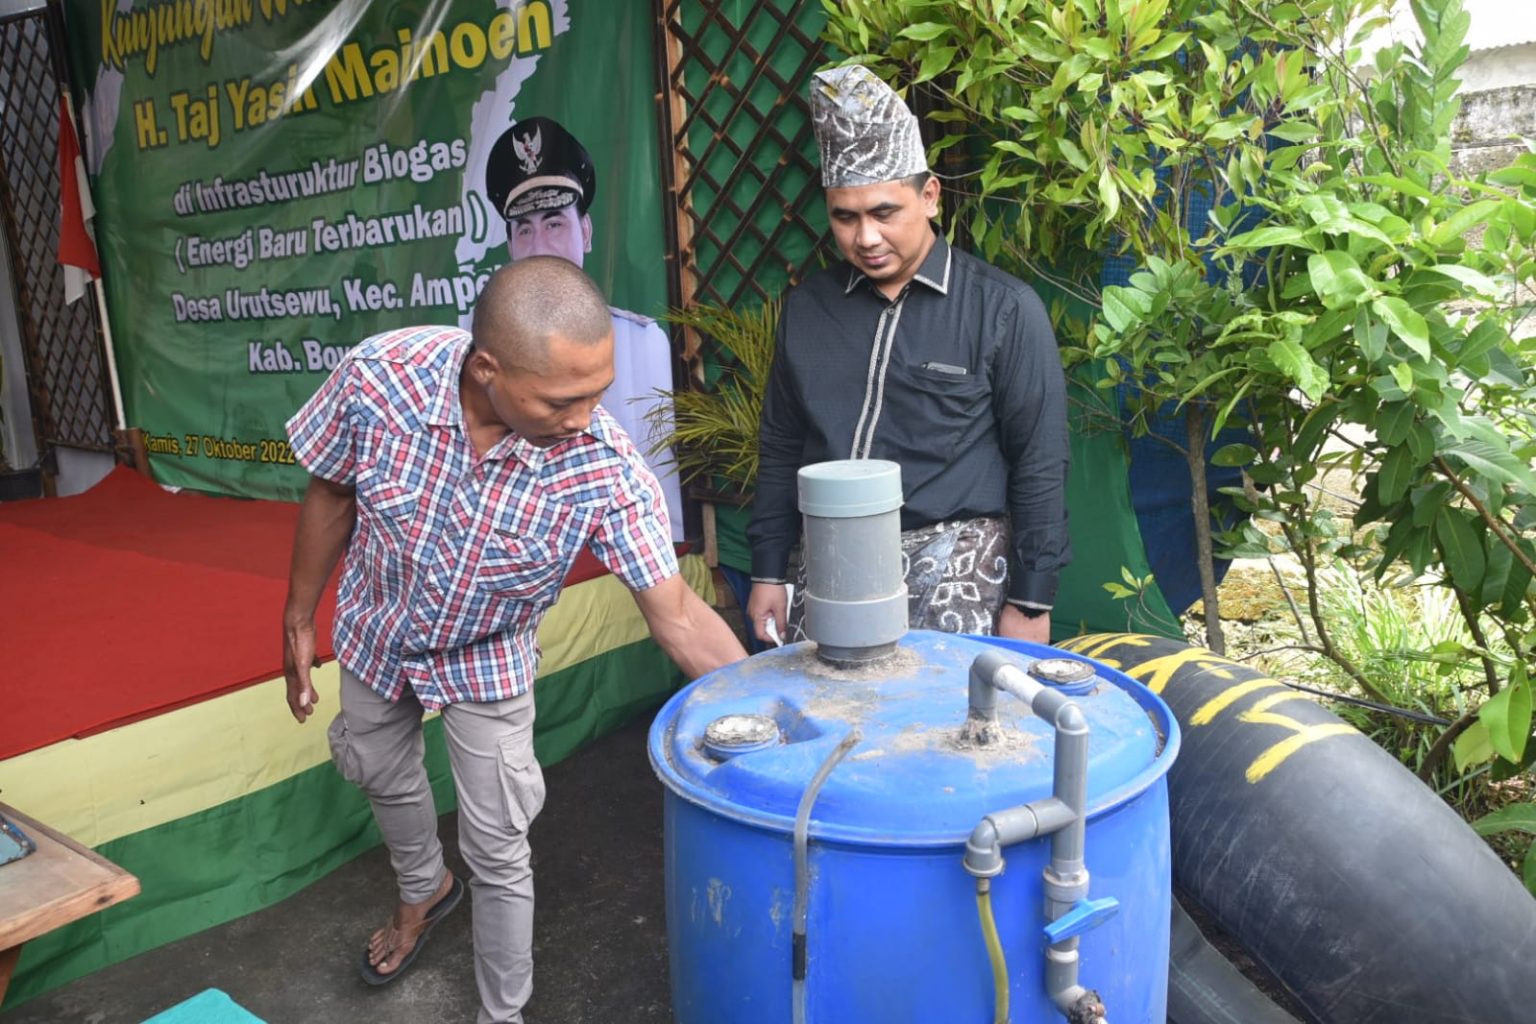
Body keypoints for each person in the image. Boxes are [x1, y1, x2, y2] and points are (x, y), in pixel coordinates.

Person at [280, 257, 747, 1024]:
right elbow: (332, 489)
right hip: (376, 628)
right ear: (488, 367)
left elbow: (680, 617)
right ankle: (422, 891)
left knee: (499, 848)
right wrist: (299, 616)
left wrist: (774, 717)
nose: (588, 415)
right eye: (564, 398)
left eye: (598, 390)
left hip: (487, 655)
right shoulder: (379, 377)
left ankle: (504, 1015)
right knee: (379, 770)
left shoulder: (601, 464)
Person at [746, 65, 1071, 646]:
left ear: (928, 197)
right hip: (827, 561)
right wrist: (769, 568)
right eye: (845, 217)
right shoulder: (808, 309)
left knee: (945, 728)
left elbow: (1040, 462)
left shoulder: (1003, 310)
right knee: (827, 722)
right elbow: (780, 445)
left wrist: (1031, 597)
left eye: (883, 213)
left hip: (960, 564)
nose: (865, 238)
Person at [484, 115, 685, 540]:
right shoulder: (484, 357)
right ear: (510, 247)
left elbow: (660, 494)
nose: (539, 245)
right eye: (524, 229)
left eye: (555, 223)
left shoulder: (639, 343)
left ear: (586, 232)